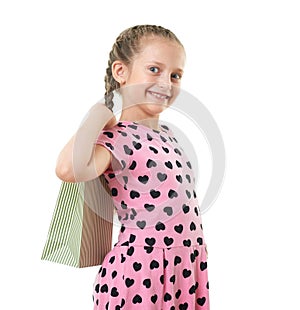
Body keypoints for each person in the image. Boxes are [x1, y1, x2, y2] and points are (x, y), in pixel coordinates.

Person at [56, 24, 210, 309]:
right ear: (120, 72)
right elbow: (68, 170)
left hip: (185, 270)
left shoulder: (170, 135)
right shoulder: (118, 138)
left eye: (176, 75)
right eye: (154, 69)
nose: (167, 82)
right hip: (140, 275)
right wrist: (100, 112)